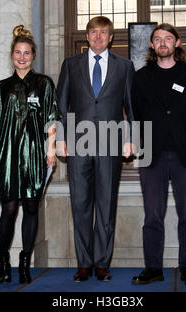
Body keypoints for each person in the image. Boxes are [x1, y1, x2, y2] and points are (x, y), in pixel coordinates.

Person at [56, 16, 135, 282]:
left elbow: (130, 107)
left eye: (103, 33)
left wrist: (131, 138)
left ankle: (101, 263)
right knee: (80, 205)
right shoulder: (71, 65)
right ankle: (84, 263)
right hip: (78, 144)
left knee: (106, 204)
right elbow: (61, 105)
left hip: (111, 143)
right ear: (87, 36)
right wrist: (61, 139)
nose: (98, 37)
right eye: (93, 32)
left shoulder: (125, 66)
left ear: (111, 37)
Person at [131, 23, 186, 286]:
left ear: (177, 43)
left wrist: (182, 135)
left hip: (185, 155)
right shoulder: (140, 78)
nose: (162, 42)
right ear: (152, 45)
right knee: (152, 215)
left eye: (167, 38)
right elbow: (136, 115)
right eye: (157, 39)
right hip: (152, 155)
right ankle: (153, 268)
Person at [0, 25, 60, 284]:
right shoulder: (1, 87)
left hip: (34, 154)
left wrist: (51, 149)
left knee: (31, 206)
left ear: (33, 55)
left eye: (26, 53)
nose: (22, 57)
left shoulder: (44, 83)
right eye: (17, 52)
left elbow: (51, 118)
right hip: (6, 154)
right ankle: (4, 259)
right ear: (12, 55)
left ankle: (25, 260)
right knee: (8, 209)